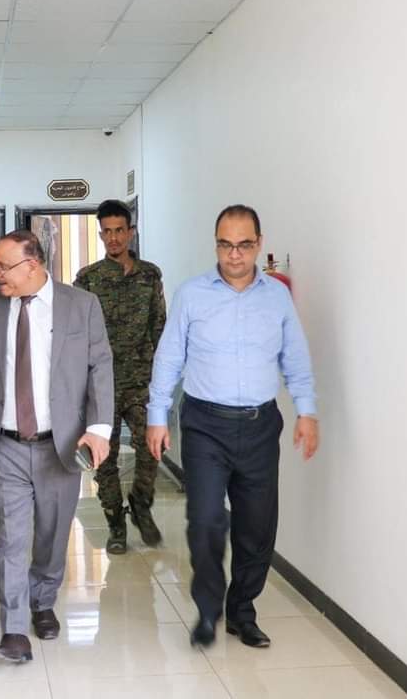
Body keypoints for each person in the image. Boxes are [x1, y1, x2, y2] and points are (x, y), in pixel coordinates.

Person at [146, 204, 319, 650]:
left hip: (260, 427)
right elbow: (168, 358)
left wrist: (306, 411)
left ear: (259, 244)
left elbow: (295, 359)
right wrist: (156, 416)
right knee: (205, 520)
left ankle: (242, 611)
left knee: (256, 527)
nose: (234, 254)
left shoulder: (276, 297)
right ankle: (208, 610)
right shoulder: (192, 294)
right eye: (225, 245)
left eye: (243, 245)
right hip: (205, 424)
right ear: (216, 245)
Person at [0, 230, 113, 665]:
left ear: (33, 264)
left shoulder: (82, 304)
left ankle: (43, 600)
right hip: (4, 445)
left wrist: (99, 428)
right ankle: (14, 631)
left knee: (52, 535)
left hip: (60, 443)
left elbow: (100, 367)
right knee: (11, 539)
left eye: (3, 266)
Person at [74, 199, 167, 554]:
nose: (113, 238)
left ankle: (141, 503)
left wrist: (163, 378)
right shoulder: (88, 279)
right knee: (104, 459)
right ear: (101, 235)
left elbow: (160, 327)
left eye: (119, 231)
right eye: (107, 232)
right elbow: (75, 334)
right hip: (101, 386)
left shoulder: (150, 275)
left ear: (131, 232)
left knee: (151, 447)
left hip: (142, 381)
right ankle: (115, 523)